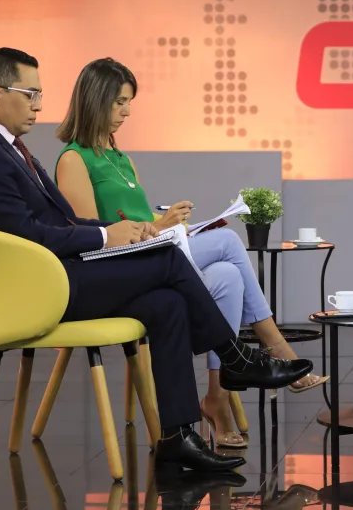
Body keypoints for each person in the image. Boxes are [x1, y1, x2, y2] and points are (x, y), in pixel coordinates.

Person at [0, 48, 313, 472]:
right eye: (30, 94)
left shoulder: (6, 148)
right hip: (42, 292)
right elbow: (30, 234)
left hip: (58, 278)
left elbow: (62, 221)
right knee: (169, 259)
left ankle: (177, 435)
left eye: (40, 95)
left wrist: (118, 230)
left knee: (167, 303)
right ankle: (236, 359)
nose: (39, 106)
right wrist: (108, 235)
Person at [53, 58, 327, 449]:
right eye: (119, 102)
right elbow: (95, 235)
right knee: (229, 243)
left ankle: (217, 399)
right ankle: (274, 346)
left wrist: (170, 223)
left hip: (154, 253)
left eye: (129, 103)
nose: (126, 112)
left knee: (228, 277)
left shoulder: (121, 159)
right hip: (121, 269)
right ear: (95, 100)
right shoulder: (74, 160)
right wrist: (161, 227)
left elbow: (140, 220)